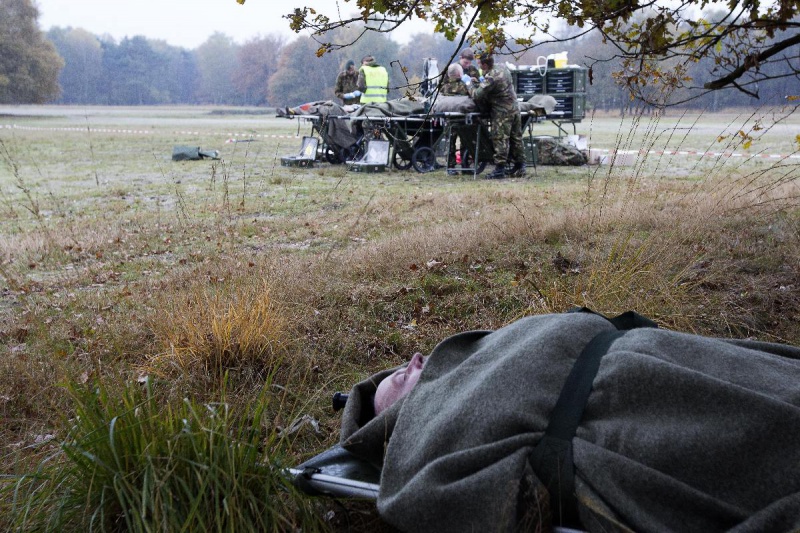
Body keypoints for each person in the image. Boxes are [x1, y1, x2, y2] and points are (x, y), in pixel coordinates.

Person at [339, 309, 800, 533]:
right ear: (405, 417)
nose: (416, 358)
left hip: (635, 355)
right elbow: (431, 500)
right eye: (401, 377)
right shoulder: (434, 427)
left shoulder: (490, 354)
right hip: (618, 412)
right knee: (760, 434)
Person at [464, 53, 526, 179]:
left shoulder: (491, 77)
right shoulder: (502, 68)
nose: (479, 67)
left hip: (502, 112)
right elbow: (495, 84)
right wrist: (481, 81)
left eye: (480, 64)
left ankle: (499, 169)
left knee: (500, 139)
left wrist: (469, 84)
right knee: (516, 138)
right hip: (514, 108)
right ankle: (520, 166)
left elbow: (476, 95)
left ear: (485, 64)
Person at [439, 63, 471, 175]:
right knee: (466, 142)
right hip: (463, 119)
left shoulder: (444, 87)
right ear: (459, 74)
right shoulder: (464, 86)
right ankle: (465, 164)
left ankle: (450, 166)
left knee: (450, 143)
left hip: (450, 119)